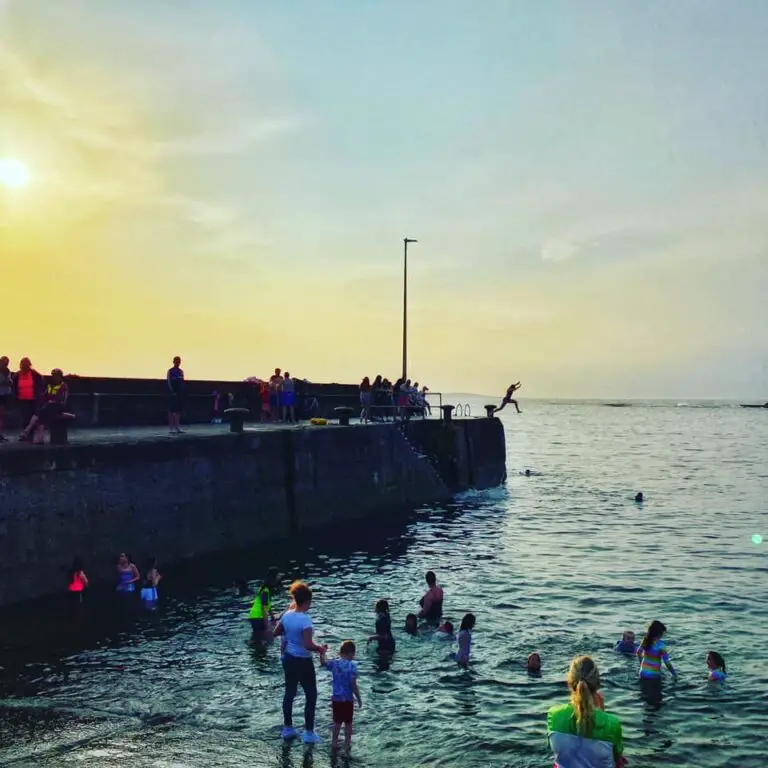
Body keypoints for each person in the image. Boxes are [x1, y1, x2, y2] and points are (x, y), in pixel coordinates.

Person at [273, 582, 327, 744]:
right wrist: (320, 649)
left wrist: (289, 637)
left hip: (288, 659)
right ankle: (309, 733)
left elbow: (276, 632)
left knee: (289, 693)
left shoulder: (287, 615)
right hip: (303, 661)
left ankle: (288, 729)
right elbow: (308, 645)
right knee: (311, 695)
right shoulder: (305, 620)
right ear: (306, 601)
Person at [547, 655, 626, 768]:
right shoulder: (612, 724)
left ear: (569, 682)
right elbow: (617, 759)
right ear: (597, 683)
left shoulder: (553, 715)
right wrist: (602, 713)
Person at [320, 640, 363, 753]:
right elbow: (353, 685)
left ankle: (334, 743)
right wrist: (358, 698)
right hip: (348, 699)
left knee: (337, 722)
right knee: (348, 723)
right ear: (352, 653)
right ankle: (347, 744)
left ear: (341, 652)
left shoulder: (334, 663)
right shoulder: (352, 666)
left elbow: (323, 663)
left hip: (337, 699)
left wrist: (322, 651)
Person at [19, 368, 68, 444]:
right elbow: (45, 396)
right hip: (49, 406)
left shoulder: (63, 386)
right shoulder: (49, 386)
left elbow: (62, 399)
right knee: (40, 415)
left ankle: (27, 431)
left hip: (59, 406)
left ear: (60, 377)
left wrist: (52, 400)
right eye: (54, 376)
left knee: (41, 412)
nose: (55, 378)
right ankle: (40, 439)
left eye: (57, 376)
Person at [14, 358, 44, 438]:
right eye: (22, 365)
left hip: (32, 400)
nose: (23, 367)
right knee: (24, 418)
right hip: (22, 399)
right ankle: (25, 434)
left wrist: (38, 397)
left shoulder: (35, 375)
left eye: (25, 365)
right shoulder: (17, 375)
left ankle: (30, 434)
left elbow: (40, 386)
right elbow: (14, 386)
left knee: (31, 417)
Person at [248, 567, 280, 640]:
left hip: (255, 616)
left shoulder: (266, 588)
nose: (279, 576)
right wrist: (267, 625)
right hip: (257, 617)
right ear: (274, 577)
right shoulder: (265, 590)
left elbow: (268, 606)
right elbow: (263, 608)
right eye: (278, 575)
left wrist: (272, 617)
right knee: (265, 638)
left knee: (257, 637)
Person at [167, 356, 185, 434]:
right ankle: (171, 428)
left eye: (179, 361)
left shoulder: (181, 371)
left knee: (178, 411)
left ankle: (177, 427)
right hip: (173, 393)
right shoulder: (170, 371)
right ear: (174, 362)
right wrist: (172, 391)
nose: (178, 363)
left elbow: (182, 382)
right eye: (176, 361)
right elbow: (169, 381)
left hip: (180, 393)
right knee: (172, 410)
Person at [0, 356, 13, 442]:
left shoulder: (8, 371)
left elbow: (10, 381)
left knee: (2, 416)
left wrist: (9, 382)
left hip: (5, 395)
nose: (5, 364)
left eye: (6, 363)